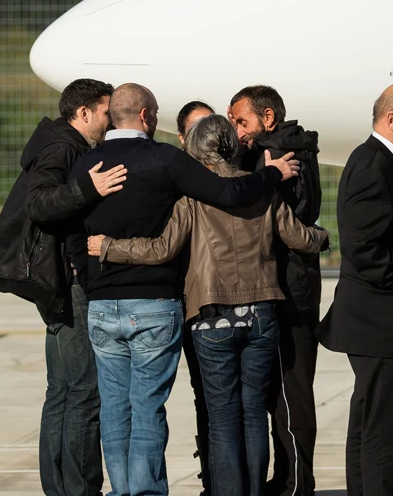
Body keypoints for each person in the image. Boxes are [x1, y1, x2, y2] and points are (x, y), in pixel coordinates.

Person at [65, 83, 300, 496]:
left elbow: (69, 230)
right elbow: (228, 190)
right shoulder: (164, 159)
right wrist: (271, 174)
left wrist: (92, 279)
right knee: (148, 408)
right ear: (144, 116)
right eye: (154, 113)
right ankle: (146, 492)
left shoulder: (87, 163)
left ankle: (123, 491)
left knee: (115, 410)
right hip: (155, 302)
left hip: (102, 305)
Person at [0, 78, 127, 496]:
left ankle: (61, 488)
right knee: (83, 389)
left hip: (57, 278)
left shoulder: (63, 143)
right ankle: (80, 490)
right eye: (105, 111)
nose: (110, 119)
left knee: (62, 389)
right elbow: (39, 203)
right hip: (66, 280)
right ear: (83, 114)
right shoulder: (64, 148)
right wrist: (89, 188)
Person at [317, 83, 393, 496]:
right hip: (383, 325)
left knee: (372, 427)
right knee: (390, 436)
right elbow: (364, 251)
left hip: (383, 326)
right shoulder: (373, 166)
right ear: (391, 119)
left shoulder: (388, 162)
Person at [228, 85, 323, 496]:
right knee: (279, 392)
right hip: (286, 287)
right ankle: (286, 478)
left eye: (241, 121)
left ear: (268, 119)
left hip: (290, 290)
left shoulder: (278, 153)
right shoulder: (282, 148)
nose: (236, 131)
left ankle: (295, 484)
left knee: (290, 391)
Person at [176, 99, 216, 495]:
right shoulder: (178, 183)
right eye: (195, 129)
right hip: (192, 302)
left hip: (218, 308)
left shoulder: (238, 182)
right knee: (206, 399)